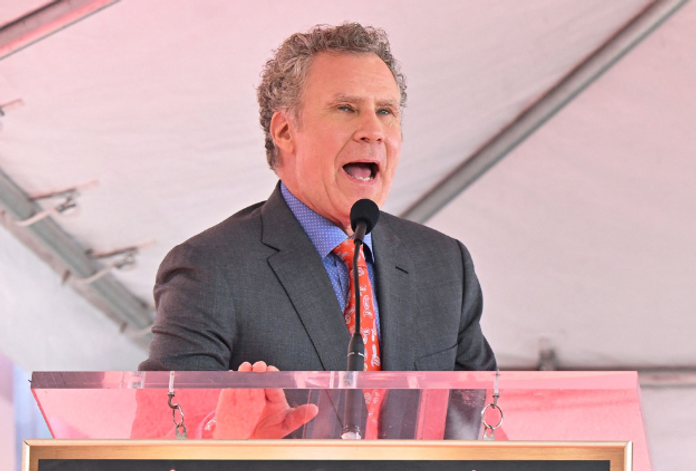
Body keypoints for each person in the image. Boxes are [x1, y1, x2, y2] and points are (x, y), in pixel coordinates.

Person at [138, 23, 495, 438]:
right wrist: (233, 439)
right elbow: (160, 439)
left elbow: (486, 424)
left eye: (386, 111)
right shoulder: (211, 267)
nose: (373, 131)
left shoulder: (444, 264)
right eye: (346, 108)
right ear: (285, 131)